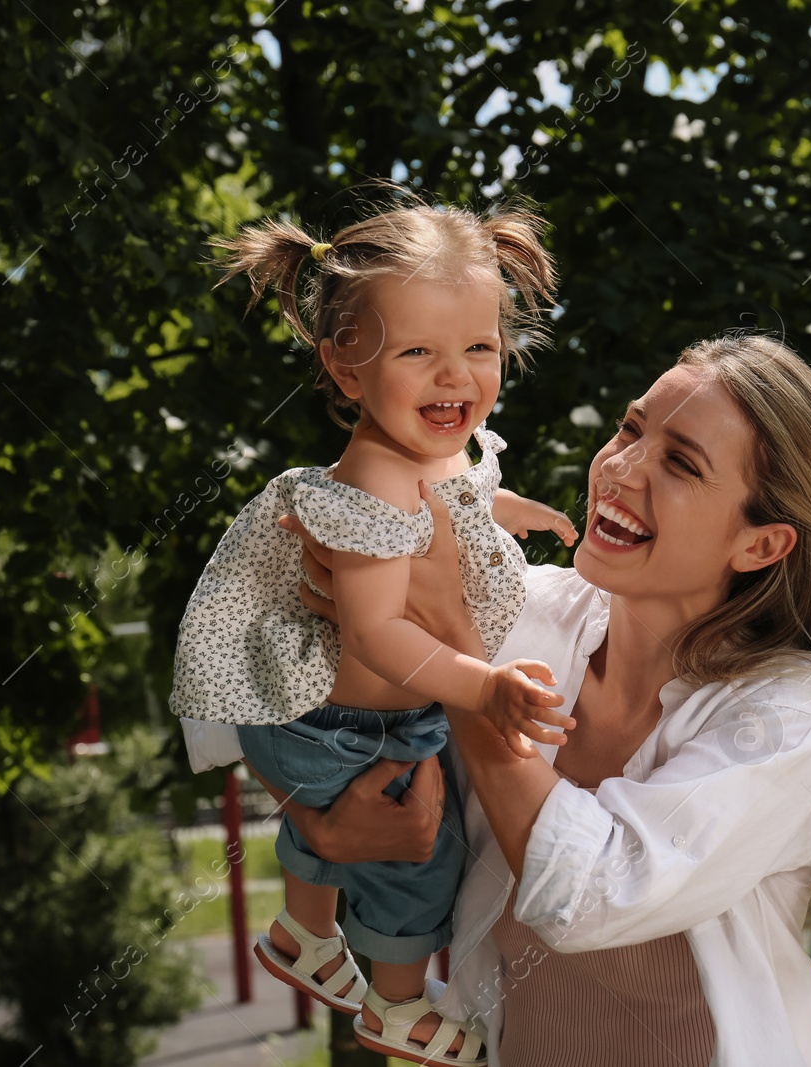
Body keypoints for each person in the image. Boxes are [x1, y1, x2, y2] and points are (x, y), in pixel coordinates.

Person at [186, 331, 811, 1065]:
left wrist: (451, 639)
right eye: (631, 429)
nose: (621, 468)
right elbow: (325, 702)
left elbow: (587, 897)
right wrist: (322, 815)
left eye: (681, 464)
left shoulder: (791, 713)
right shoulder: (526, 613)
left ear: (761, 544)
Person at [169, 199, 578, 1066]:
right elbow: (382, 632)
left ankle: (304, 934)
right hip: (335, 729)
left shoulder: (424, 453)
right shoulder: (375, 481)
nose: (455, 377)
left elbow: (456, 502)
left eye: (478, 347)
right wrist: (482, 684)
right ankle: (397, 1010)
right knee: (419, 860)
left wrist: (513, 507)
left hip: (348, 724)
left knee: (368, 829)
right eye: (418, 352)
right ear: (346, 369)